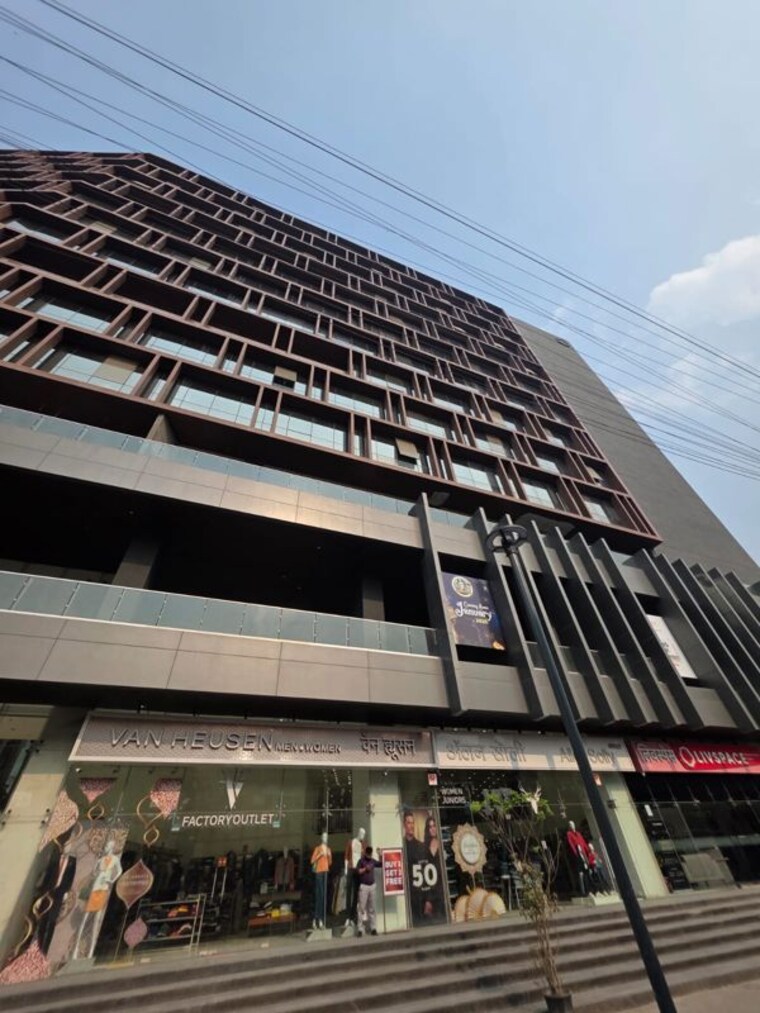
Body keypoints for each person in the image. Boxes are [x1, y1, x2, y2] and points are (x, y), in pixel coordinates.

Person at [355, 845, 382, 937]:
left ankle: (373, 928)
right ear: (365, 853)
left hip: (372, 886)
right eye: (368, 853)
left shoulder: (372, 861)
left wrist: (380, 855)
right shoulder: (361, 861)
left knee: (372, 908)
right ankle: (360, 929)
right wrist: (365, 869)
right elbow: (357, 871)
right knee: (361, 908)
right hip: (364, 886)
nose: (369, 855)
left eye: (370, 854)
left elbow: (381, 864)